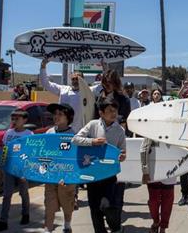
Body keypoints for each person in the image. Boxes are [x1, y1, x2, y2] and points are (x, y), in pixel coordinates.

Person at [72, 97, 127, 233]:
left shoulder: (120, 130)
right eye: (110, 111)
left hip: (109, 175)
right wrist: (92, 141)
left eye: (115, 111)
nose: (113, 113)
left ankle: (116, 228)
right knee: (95, 209)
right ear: (101, 113)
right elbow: (75, 139)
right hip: (93, 175)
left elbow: (123, 152)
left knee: (109, 206)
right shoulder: (92, 125)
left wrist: (122, 156)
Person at [0, 109, 33, 232]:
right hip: (9, 167)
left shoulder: (28, 134)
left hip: (21, 168)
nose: (14, 121)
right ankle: (3, 221)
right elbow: (4, 148)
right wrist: (1, 164)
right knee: (6, 194)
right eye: (13, 118)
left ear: (24, 120)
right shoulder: (8, 132)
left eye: (17, 118)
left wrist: (26, 170)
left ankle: (25, 214)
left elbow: (30, 153)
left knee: (23, 192)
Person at [40, 58, 99, 133]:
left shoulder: (88, 91)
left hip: (81, 132)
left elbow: (103, 86)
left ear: (83, 80)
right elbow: (46, 84)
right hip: (63, 130)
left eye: (77, 79)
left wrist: (105, 69)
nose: (75, 81)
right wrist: (43, 66)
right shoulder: (63, 90)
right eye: (73, 79)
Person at [43, 103, 77, 233]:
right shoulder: (49, 132)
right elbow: (42, 153)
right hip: (51, 176)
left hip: (67, 178)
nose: (56, 117)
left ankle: (67, 225)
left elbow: (73, 158)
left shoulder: (73, 135)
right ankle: (48, 229)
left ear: (68, 117)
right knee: (50, 204)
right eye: (55, 114)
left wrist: (68, 176)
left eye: (60, 114)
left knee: (67, 202)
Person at [142, 136, 175, 232]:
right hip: (154, 171)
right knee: (153, 202)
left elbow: (184, 148)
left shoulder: (176, 130)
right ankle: (156, 222)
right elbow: (143, 149)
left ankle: (163, 227)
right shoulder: (152, 128)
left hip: (171, 171)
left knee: (167, 201)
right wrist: (145, 171)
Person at [94, 69, 131, 137]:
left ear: (115, 82)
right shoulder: (98, 98)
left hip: (117, 133)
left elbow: (124, 119)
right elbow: (95, 117)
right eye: (105, 82)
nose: (107, 85)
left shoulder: (123, 99)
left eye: (110, 82)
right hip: (99, 133)